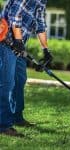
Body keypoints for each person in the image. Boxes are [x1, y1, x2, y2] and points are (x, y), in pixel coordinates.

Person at [0, 0, 52, 136]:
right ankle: (3, 125)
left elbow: (40, 24)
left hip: (18, 46)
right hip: (5, 42)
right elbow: (15, 15)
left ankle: (17, 117)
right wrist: (18, 41)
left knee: (20, 80)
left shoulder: (41, 1)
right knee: (7, 83)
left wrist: (46, 50)